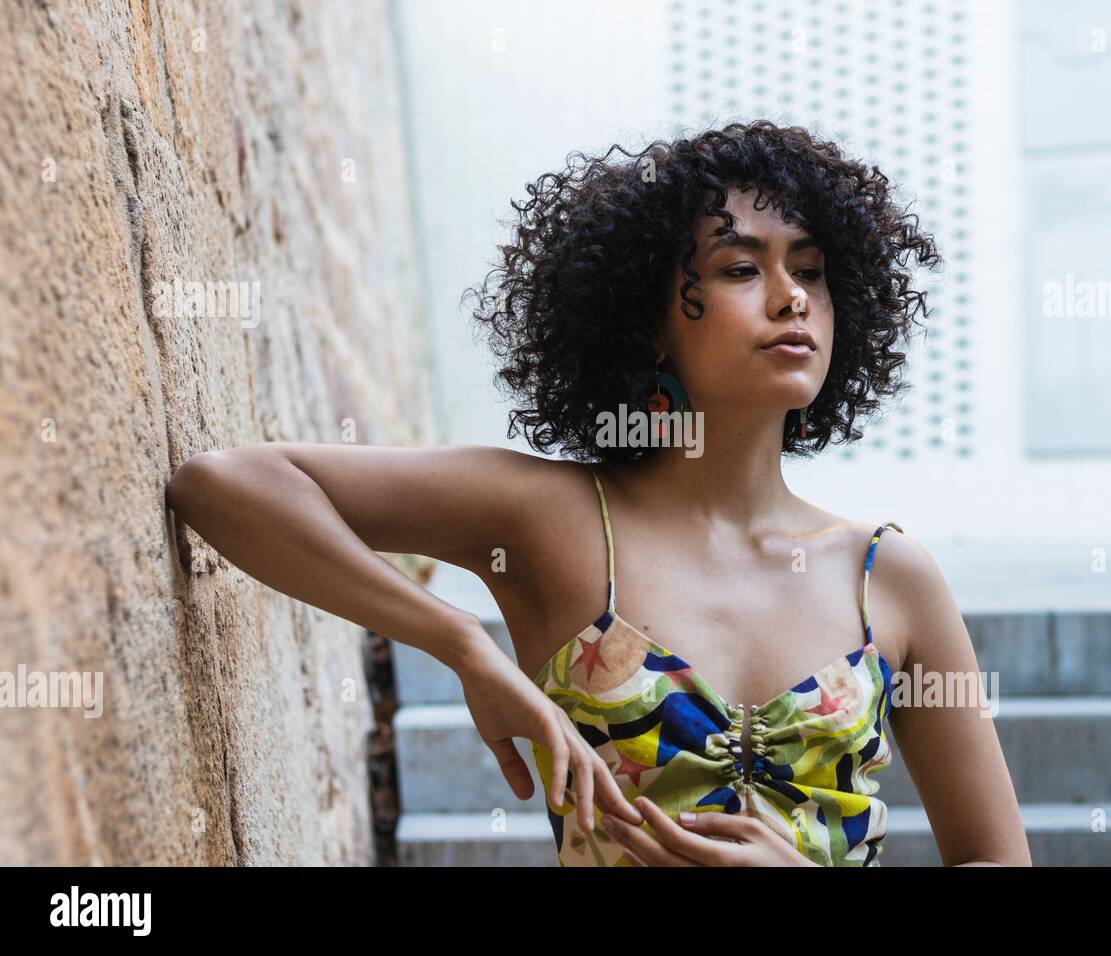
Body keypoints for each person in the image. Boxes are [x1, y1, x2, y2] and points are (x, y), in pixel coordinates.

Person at [166, 120, 1031, 867]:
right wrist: (460, 644)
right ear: (648, 320)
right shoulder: (552, 520)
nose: (791, 297)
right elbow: (224, 486)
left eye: (810, 269)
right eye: (740, 269)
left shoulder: (887, 576)